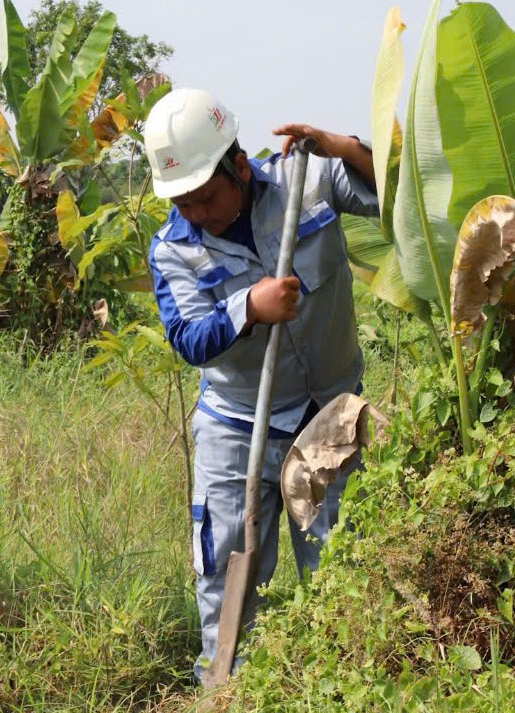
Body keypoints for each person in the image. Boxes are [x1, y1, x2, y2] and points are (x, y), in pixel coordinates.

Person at [142, 88, 378, 681]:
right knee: (226, 568)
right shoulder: (173, 249)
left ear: (239, 166)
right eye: (181, 201)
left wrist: (342, 145)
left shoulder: (310, 181)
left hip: (328, 412)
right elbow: (189, 338)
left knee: (340, 557)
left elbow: (393, 192)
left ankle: (347, 687)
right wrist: (248, 306)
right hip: (237, 422)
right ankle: (225, 696)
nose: (195, 212)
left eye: (205, 197)